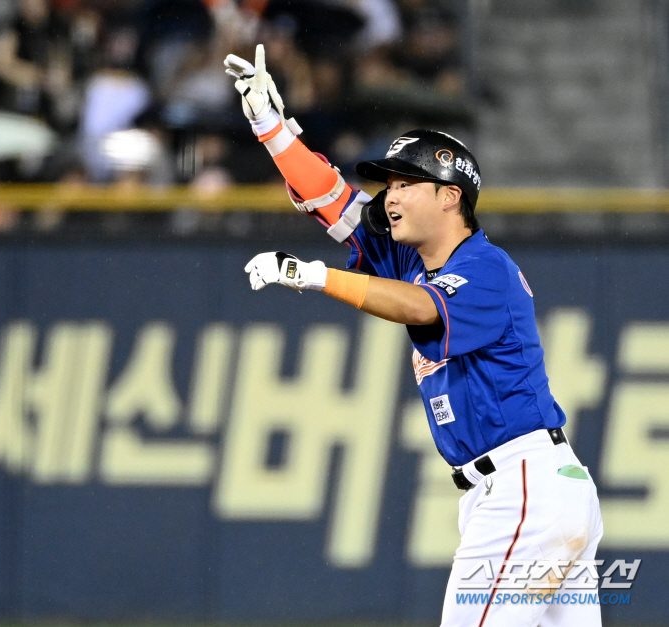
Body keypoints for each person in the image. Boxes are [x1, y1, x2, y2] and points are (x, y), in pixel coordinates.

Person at [225, 45, 604, 627]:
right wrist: (271, 129)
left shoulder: (486, 268)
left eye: (406, 184)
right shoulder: (408, 257)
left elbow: (421, 309)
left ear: (451, 196)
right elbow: (331, 199)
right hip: (533, 493)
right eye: (389, 184)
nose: (390, 195)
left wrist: (315, 275)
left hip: (523, 489)